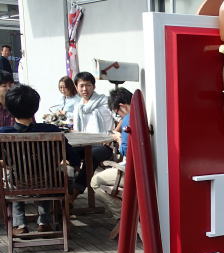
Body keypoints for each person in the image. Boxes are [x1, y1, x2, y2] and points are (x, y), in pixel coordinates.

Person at [0, 84, 79, 235]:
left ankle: (20, 225)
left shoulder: (4, 133)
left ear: (10, 110)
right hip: (49, 182)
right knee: (50, 175)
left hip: (18, 183)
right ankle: (44, 221)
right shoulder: (52, 130)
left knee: (13, 178)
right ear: (35, 108)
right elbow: (73, 159)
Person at [90, 87, 132, 222]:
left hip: (131, 174)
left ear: (122, 106)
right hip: (148, 173)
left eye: (118, 114)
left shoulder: (128, 120)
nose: (120, 117)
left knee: (94, 181)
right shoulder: (145, 114)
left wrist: (119, 139)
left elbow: (125, 151)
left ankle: (122, 217)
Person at [71, 71, 115, 197]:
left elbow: (121, 117)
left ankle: (75, 191)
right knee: (64, 152)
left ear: (94, 86)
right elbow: (77, 130)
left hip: (104, 145)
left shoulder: (105, 101)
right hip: (83, 143)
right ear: (76, 87)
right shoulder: (78, 107)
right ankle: (62, 192)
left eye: (88, 85)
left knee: (91, 156)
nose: (85, 89)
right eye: (81, 86)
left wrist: (112, 135)